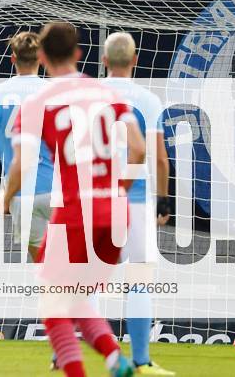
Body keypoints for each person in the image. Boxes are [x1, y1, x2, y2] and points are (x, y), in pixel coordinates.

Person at [0, 21, 142, 377]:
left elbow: (25, 162)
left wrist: (4, 197)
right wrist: (116, 189)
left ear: (43, 56)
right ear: (79, 53)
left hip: (77, 211)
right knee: (75, 299)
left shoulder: (38, 102)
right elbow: (138, 149)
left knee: (53, 303)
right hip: (115, 212)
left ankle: (85, 369)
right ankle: (114, 358)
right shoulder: (106, 93)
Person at [99, 32, 174, 377]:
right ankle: (141, 360)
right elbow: (158, 157)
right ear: (135, 60)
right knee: (139, 279)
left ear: (103, 61)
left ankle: (77, 354)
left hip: (96, 197)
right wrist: (163, 198)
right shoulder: (147, 99)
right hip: (138, 198)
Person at [0, 31, 52, 261]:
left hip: (20, 194)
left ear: (12, 58)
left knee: (43, 263)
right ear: (42, 58)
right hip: (59, 190)